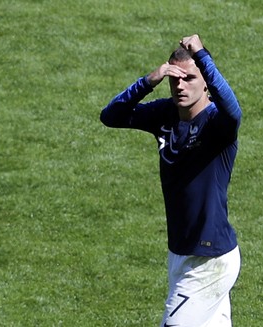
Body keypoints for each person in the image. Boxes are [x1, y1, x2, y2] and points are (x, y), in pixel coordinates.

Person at [100, 34, 242, 326]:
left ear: (206, 83)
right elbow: (110, 116)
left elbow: (234, 111)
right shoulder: (165, 114)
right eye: (174, 79)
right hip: (180, 252)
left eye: (189, 78)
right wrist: (150, 79)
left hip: (208, 258)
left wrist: (202, 56)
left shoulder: (218, 124)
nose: (180, 85)